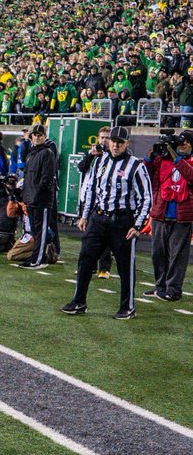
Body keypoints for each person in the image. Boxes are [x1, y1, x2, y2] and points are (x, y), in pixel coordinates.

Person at [62, 125, 153, 319]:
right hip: (98, 217)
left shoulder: (136, 165)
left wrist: (137, 225)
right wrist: (85, 215)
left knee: (125, 266)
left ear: (127, 143)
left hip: (122, 221)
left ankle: (127, 307)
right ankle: (79, 301)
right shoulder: (100, 161)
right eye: (113, 141)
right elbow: (92, 190)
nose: (115, 145)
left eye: (120, 142)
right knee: (85, 259)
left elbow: (146, 198)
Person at [145, 129, 193, 301]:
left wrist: (176, 158)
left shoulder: (190, 161)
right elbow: (147, 175)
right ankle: (160, 286)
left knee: (177, 256)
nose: (183, 145)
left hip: (182, 216)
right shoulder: (163, 160)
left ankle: (173, 290)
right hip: (161, 213)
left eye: (187, 142)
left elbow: (190, 175)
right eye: (181, 142)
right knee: (158, 253)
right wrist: (150, 158)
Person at [19, 123, 58, 268]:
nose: (36, 137)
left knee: (40, 230)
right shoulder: (31, 153)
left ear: (45, 136)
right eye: (34, 135)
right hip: (31, 198)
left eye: (39, 135)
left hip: (41, 199)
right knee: (35, 231)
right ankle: (36, 256)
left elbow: (46, 179)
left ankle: (38, 260)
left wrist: (37, 196)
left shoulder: (47, 153)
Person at [78, 125, 113, 277]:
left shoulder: (113, 156)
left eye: (107, 138)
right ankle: (89, 266)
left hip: (103, 201)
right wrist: (91, 155)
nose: (104, 141)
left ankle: (104, 268)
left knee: (105, 236)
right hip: (88, 197)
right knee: (88, 237)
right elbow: (81, 168)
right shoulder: (93, 153)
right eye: (102, 138)